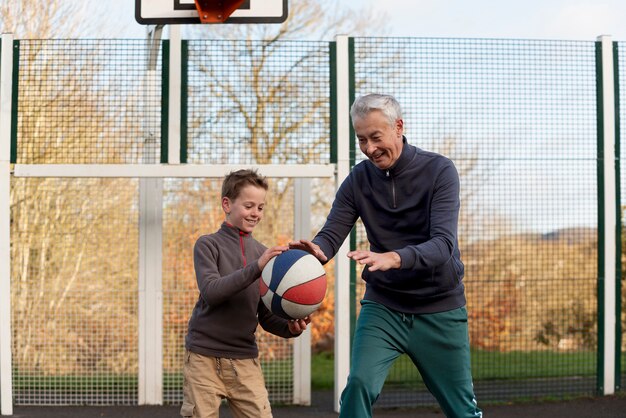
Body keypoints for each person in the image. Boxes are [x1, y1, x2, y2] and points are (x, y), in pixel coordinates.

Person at [290, 94, 482, 417]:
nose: (368, 148)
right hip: (384, 306)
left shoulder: (440, 171)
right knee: (359, 386)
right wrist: (316, 251)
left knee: (461, 409)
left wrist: (394, 258)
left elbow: (443, 245)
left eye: (375, 137)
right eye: (361, 139)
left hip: (439, 307)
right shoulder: (358, 180)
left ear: (398, 128)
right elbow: (332, 231)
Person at [181, 169, 310, 418]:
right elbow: (212, 292)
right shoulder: (208, 245)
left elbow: (264, 315)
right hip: (203, 358)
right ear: (227, 204)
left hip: (244, 360)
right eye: (249, 205)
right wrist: (257, 267)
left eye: (260, 207)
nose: (255, 213)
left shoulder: (262, 254)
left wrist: (289, 328)